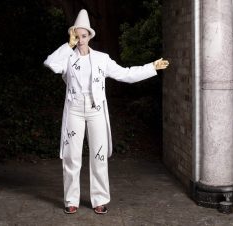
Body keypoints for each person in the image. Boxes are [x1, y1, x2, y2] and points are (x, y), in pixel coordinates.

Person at [44, 9, 169, 215]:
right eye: (77, 35)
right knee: (72, 156)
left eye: (84, 36)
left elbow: (125, 74)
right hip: (74, 109)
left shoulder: (102, 59)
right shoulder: (67, 57)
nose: (81, 39)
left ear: (90, 37)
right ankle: (70, 199)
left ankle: (100, 199)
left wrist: (152, 67)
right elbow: (51, 64)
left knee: (99, 156)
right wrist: (68, 45)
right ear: (72, 35)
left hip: (96, 111)